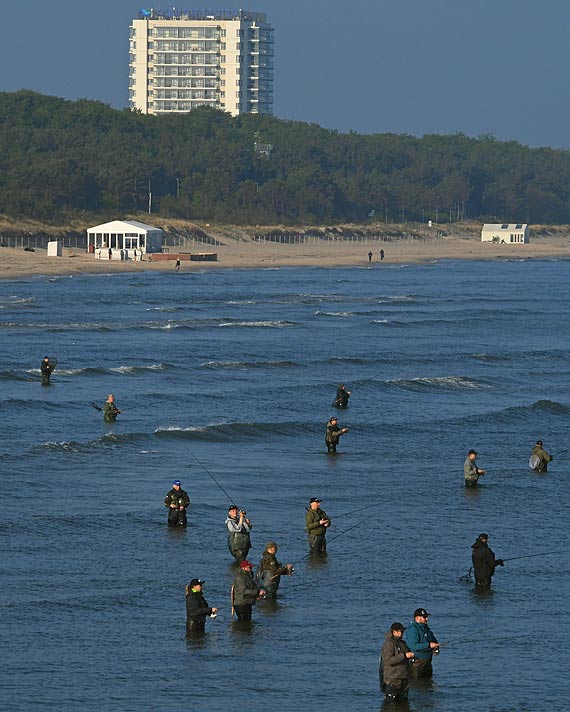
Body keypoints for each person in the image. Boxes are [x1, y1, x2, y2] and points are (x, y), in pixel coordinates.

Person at [380, 622, 414, 703]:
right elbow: (389, 661)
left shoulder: (403, 644)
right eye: (401, 631)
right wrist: (404, 656)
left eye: (403, 631)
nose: (402, 634)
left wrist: (412, 658)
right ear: (394, 632)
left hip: (404, 679)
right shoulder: (388, 644)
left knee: (403, 705)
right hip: (392, 680)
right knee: (391, 705)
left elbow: (408, 656)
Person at [403, 608, 439, 678]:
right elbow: (414, 646)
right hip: (417, 664)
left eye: (427, 617)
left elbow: (434, 640)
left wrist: (436, 647)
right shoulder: (413, 629)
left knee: (429, 685)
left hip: (428, 663)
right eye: (424, 617)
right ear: (417, 618)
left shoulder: (426, 628)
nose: (427, 619)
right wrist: (429, 645)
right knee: (417, 685)